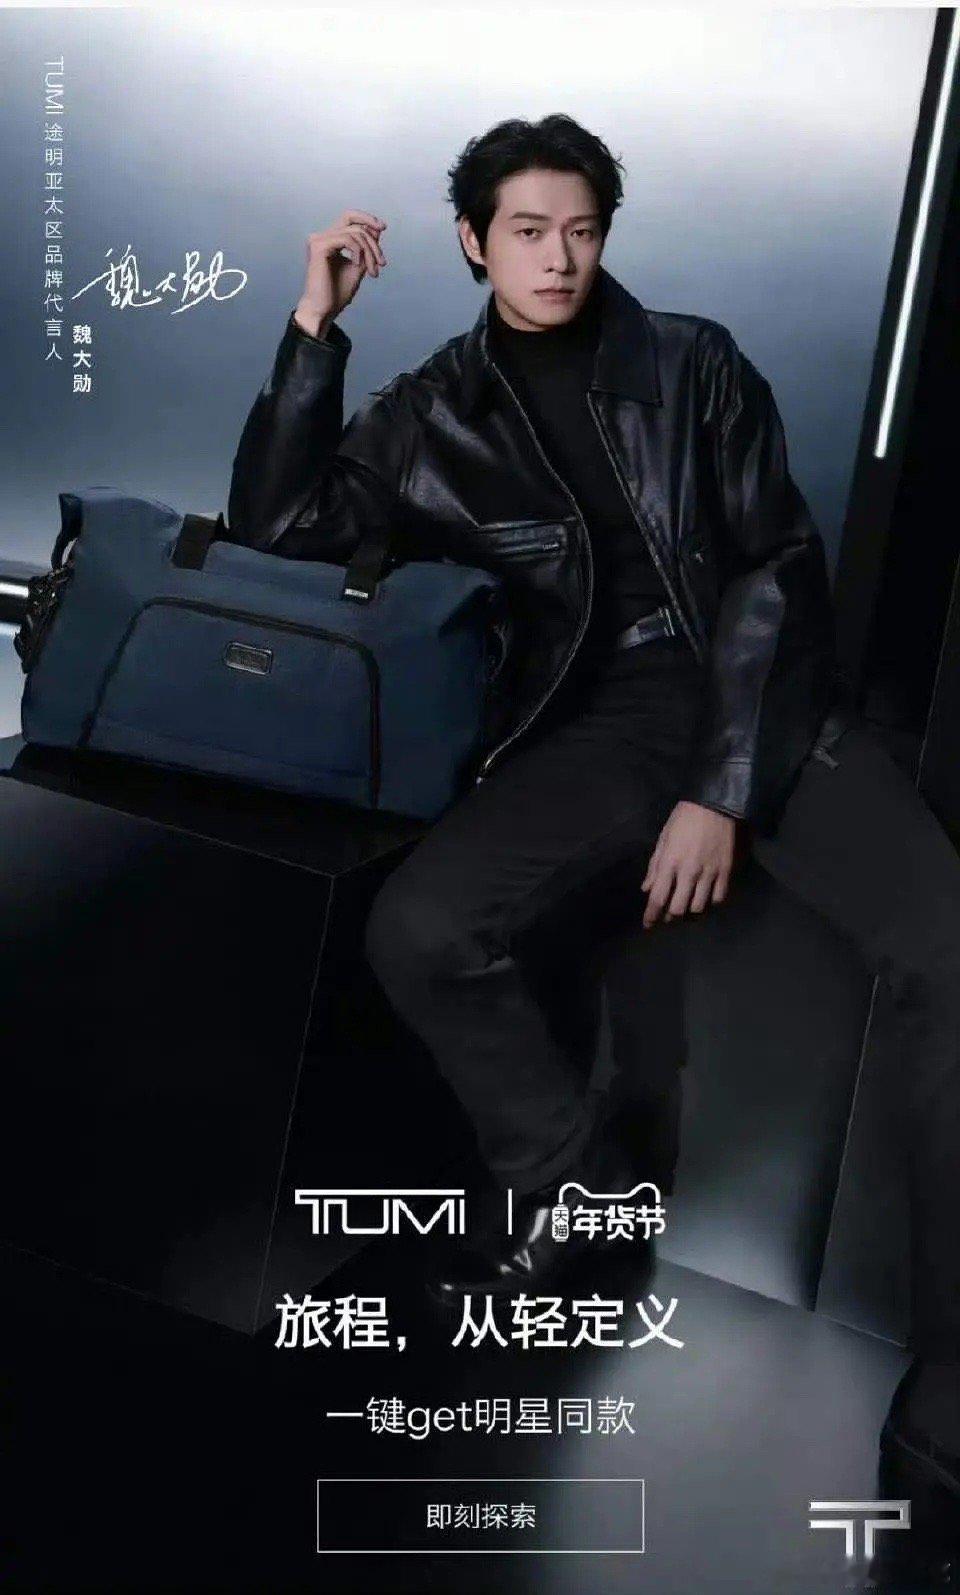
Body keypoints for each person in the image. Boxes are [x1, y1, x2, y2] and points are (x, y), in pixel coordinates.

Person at [225, 114, 959, 1538]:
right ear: (471, 242)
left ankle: (952, 1377)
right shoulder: (435, 410)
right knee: (421, 928)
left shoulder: (694, 362)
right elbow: (281, 526)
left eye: (581, 229)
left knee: (950, 945)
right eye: (526, 231)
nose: (558, 258)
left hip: (763, 702)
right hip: (598, 725)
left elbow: (774, 569)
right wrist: (316, 327)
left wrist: (721, 789)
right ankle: (577, 1187)